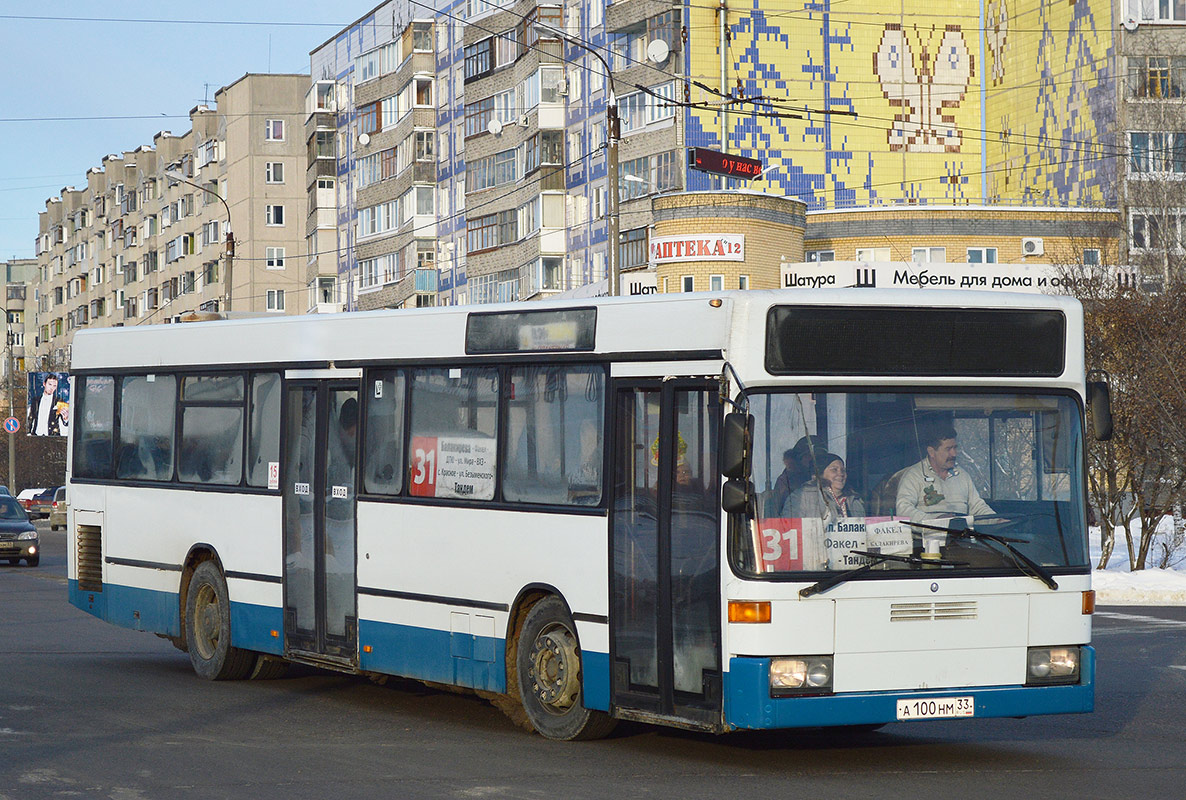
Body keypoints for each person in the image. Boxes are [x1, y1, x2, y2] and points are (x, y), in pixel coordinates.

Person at [895, 425, 994, 522]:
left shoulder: (962, 476)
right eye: (948, 449)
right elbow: (903, 510)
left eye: (955, 448)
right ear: (931, 452)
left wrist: (996, 521)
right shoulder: (914, 476)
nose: (954, 454)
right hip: (926, 536)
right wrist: (935, 521)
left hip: (962, 535)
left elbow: (977, 507)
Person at [784, 452, 866, 523]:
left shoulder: (854, 500)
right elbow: (790, 530)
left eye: (843, 470)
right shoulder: (802, 497)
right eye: (834, 470)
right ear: (820, 474)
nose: (840, 474)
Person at [766, 434, 826, 516]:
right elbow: (777, 511)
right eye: (808, 456)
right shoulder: (785, 481)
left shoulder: (831, 479)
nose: (813, 460)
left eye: (819, 457)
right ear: (798, 458)